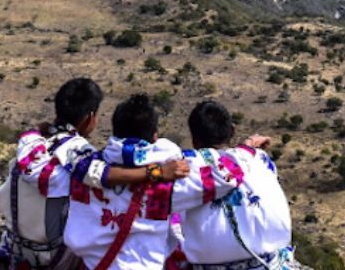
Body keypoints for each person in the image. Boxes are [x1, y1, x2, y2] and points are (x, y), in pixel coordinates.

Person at [0, 79, 189, 270]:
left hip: (14, 249)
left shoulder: (32, 142)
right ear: (90, 117)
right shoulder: (78, 151)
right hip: (53, 256)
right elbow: (101, 175)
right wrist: (156, 172)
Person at [64, 94, 247, 270]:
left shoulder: (85, 169)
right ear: (154, 137)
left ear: (115, 131)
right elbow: (230, 175)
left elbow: (74, 160)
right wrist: (183, 156)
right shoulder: (168, 185)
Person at [173, 100, 295, 270]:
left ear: (194, 140)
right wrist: (248, 146)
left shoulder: (185, 169)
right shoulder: (259, 158)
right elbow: (230, 161)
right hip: (273, 264)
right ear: (232, 130)